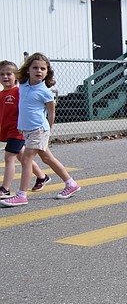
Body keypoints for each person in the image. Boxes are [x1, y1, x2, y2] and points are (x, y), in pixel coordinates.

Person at [1, 53, 81, 207]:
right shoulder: (23, 85)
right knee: (47, 159)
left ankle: (21, 195)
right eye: (35, 68)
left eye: (43, 69)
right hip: (27, 130)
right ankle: (71, 184)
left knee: (25, 159)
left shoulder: (45, 91)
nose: (39, 71)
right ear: (28, 70)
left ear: (47, 72)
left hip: (38, 129)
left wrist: (48, 130)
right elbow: (12, 74)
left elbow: (51, 112)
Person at [1, 60, 50, 197]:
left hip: (19, 130)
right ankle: (41, 176)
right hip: (8, 130)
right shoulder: (2, 94)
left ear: (16, 75)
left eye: (9, 74)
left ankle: (5, 188)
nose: (5, 77)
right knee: (21, 156)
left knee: (9, 156)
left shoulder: (19, 91)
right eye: (2, 74)